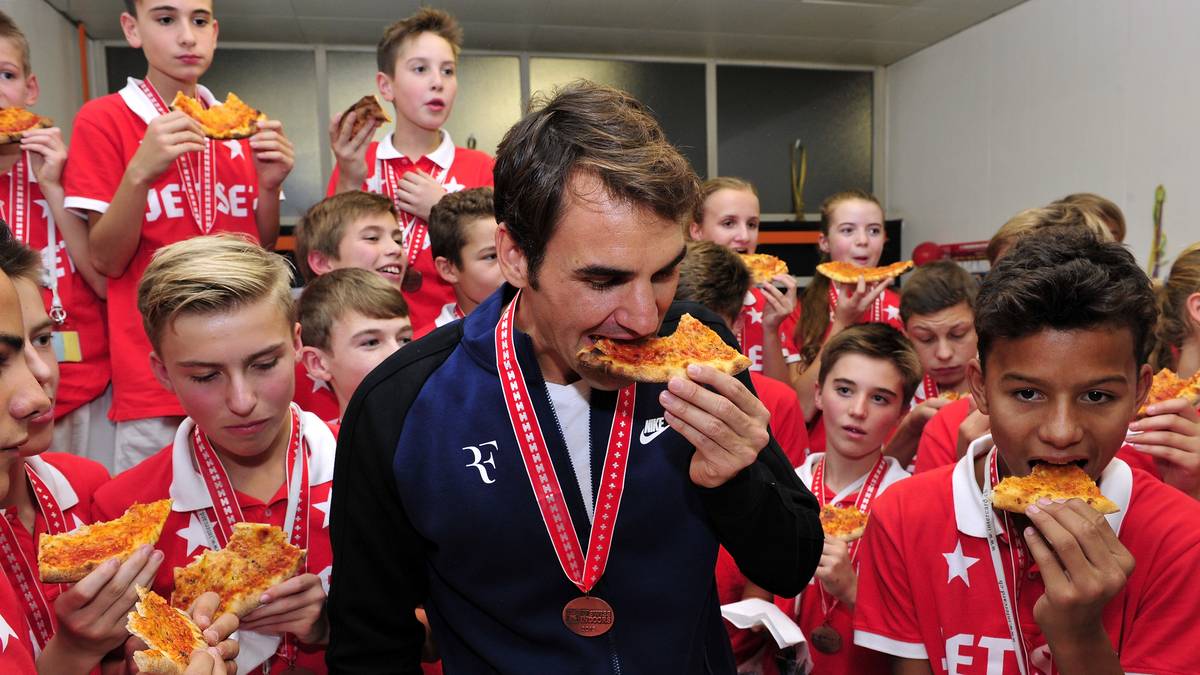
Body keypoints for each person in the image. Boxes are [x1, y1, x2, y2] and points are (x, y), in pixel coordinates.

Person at [327, 82, 822, 674]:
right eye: (603, 280)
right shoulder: (402, 404)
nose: (644, 318)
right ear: (514, 256)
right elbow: (371, 645)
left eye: (664, 271)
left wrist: (737, 480)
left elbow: (791, 562)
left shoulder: (698, 348)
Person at [853, 229, 1200, 675]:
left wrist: (1078, 637)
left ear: (1140, 392)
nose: (1060, 433)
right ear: (979, 388)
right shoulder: (904, 517)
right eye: (1027, 393)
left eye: (1096, 397)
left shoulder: (1183, 539)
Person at [62, 0, 295, 473]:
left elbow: (258, 247)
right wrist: (139, 173)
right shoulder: (105, 118)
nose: (187, 36)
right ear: (132, 29)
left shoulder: (238, 123)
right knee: (159, 526)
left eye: (200, 20)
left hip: (244, 372)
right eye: (166, 19)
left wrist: (269, 188)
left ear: (214, 31)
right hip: (156, 379)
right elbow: (106, 261)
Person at [90, 235, 333, 674]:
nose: (242, 401)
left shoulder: (376, 466)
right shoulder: (124, 509)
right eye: (205, 376)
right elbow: (107, 660)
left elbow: (445, 632)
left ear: (297, 343)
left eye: (263, 364)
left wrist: (337, 626)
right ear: (162, 372)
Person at [0, 257, 239, 675]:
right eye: (2, 356)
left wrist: (137, 660)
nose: (40, 378)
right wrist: (73, 650)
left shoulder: (88, 486)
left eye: (42, 340)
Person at [327, 7, 494, 330]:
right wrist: (349, 174)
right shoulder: (360, 158)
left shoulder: (482, 167)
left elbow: (502, 265)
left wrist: (443, 210)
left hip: (458, 343)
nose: (437, 83)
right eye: (420, 69)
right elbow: (332, 260)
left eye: (448, 71)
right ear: (385, 86)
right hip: (370, 338)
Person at [764, 323, 917, 675]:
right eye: (845, 390)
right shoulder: (785, 488)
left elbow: (925, 629)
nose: (858, 410)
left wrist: (852, 590)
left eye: (879, 398)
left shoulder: (909, 503)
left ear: (903, 412)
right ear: (818, 394)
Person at [0, 11, 113, 471]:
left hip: (91, 387)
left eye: (4, 75)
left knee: (90, 505)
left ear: (30, 88)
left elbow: (104, 280)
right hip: (9, 394)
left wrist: (54, 186)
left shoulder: (72, 169)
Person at [673, 240, 809, 465]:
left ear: (737, 324)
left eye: (709, 331)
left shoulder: (779, 401)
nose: (693, 347)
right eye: (679, 327)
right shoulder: (631, 396)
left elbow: (793, 497)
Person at [794, 189, 903, 453]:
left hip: (891, 456)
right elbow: (802, 409)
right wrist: (842, 323)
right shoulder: (799, 311)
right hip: (819, 460)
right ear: (824, 242)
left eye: (874, 231)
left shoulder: (904, 309)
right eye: (847, 230)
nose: (863, 241)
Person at [293, 190, 407, 421]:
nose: (395, 248)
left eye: (398, 239)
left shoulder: (426, 333)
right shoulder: (286, 360)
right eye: (372, 238)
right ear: (323, 261)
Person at [688, 177, 800, 384]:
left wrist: (771, 329)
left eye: (752, 224)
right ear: (696, 230)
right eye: (728, 223)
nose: (744, 236)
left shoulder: (771, 305)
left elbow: (783, 399)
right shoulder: (676, 299)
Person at [885, 260, 978, 467]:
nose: (944, 353)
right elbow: (871, 486)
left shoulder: (1004, 388)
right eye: (926, 339)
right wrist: (909, 430)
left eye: (957, 334)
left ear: (980, 323)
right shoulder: (891, 390)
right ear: (905, 332)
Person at [296, 267, 412, 423]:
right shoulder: (321, 446)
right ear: (318, 363)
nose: (398, 354)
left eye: (405, 340)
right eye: (371, 342)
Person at [415, 187, 503, 338]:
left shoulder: (542, 331)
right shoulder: (424, 351)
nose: (511, 267)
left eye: (515, 251)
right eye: (491, 256)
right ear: (448, 269)